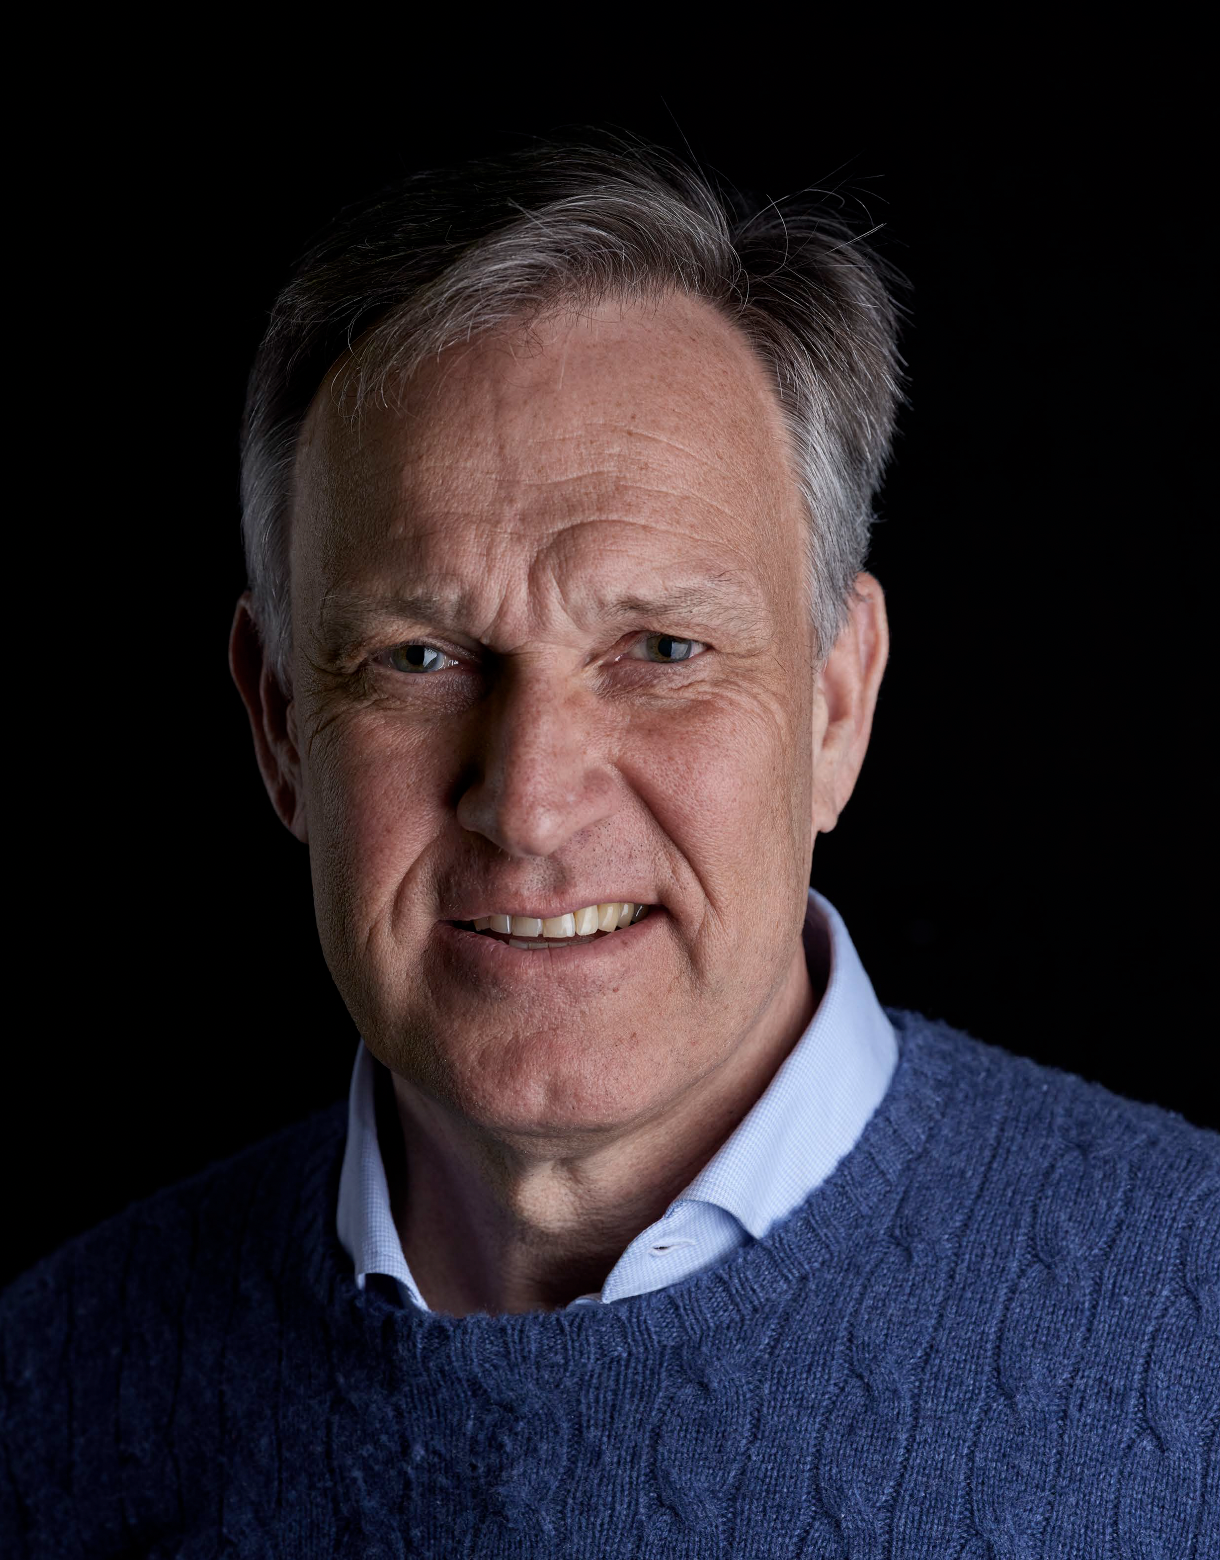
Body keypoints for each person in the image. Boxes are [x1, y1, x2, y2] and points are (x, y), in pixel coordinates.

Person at [3, 135, 1216, 1560]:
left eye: (662, 648)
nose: (528, 805)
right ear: (278, 724)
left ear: (837, 704)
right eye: (419, 655)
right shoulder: (50, 1393)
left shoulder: (1192, 1319)